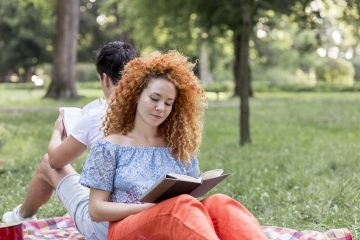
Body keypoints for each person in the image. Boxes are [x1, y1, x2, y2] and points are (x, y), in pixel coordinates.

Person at [80, 51, 267, 240]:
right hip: (127, 228)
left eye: (168, 103)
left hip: (172, 223)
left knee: (220, 203)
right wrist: (150, 208)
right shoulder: (109, 147)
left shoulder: (176, 145)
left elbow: (191, 197)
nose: (161, 108)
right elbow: (96, 209)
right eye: (154, 98)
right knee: (180, 207)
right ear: (136, 95)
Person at [2, 41, 137, 240]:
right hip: (140, 219)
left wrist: (57, 130)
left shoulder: (98, 115)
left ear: (105, 79)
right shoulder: (154, 112)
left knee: (48, 163)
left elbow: (57, 161)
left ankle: (20, 216)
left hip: (104, 228)